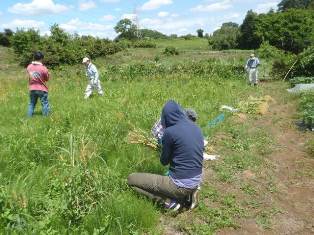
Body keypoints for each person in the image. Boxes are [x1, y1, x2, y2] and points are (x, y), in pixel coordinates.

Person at [128, 100, 204, 211]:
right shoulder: (196, 127)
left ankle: (171, 203)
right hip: (196, 179)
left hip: (179, 185)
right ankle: (190, 194)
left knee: (131, 180)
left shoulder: (170, 132)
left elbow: (164, 161)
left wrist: (164, 149)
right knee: (179, 183)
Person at [26, 51, 50, 117]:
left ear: (34, 57)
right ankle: (46, 117)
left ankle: (28, 117)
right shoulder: (43, 68)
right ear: (42, 58)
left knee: (31, 103)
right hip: (42, 88)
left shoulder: (29, 66)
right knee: (44, 103)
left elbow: (30, 75)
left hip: (32, 88)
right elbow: (47, 79)